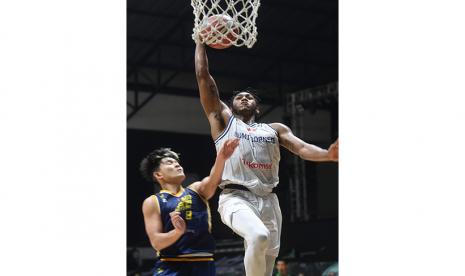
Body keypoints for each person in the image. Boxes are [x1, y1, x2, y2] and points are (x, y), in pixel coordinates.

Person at [194, 42, 339, 276]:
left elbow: (301, 148)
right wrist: (200, 43)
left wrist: (328, 155)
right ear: (230, 105)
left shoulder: (275, 129)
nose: (243, 98)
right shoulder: (224, 122)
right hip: (235, 196)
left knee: (267, 266)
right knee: (257, 236)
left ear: (257, 108)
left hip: (269, 201)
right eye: (239, 96)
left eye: (249, 97)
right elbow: (203, 78)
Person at [140, 138, 240, 276]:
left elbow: (213, 180)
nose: (176, 165)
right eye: (170, 162)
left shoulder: (196, 190)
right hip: (171, 265)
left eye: (177, 162)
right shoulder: (152, 202)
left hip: (204, 264)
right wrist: (178, 232)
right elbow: (157, 242)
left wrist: (222, 157)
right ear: (158, 174)